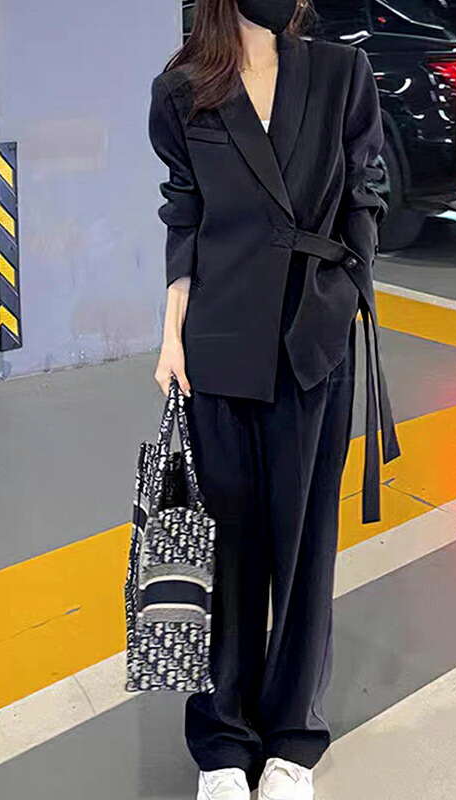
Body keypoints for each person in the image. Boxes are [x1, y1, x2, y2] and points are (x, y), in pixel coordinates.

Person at [147, 1, 401, 798]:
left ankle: (292, 737)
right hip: (218, 338)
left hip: (312, 340)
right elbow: (184, 214)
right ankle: (223, 744)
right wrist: (170, 336)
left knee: (302, 549)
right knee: (223, 551)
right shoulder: (183, 88)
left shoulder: (340, 72)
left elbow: (365, 189)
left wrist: (349, 290)